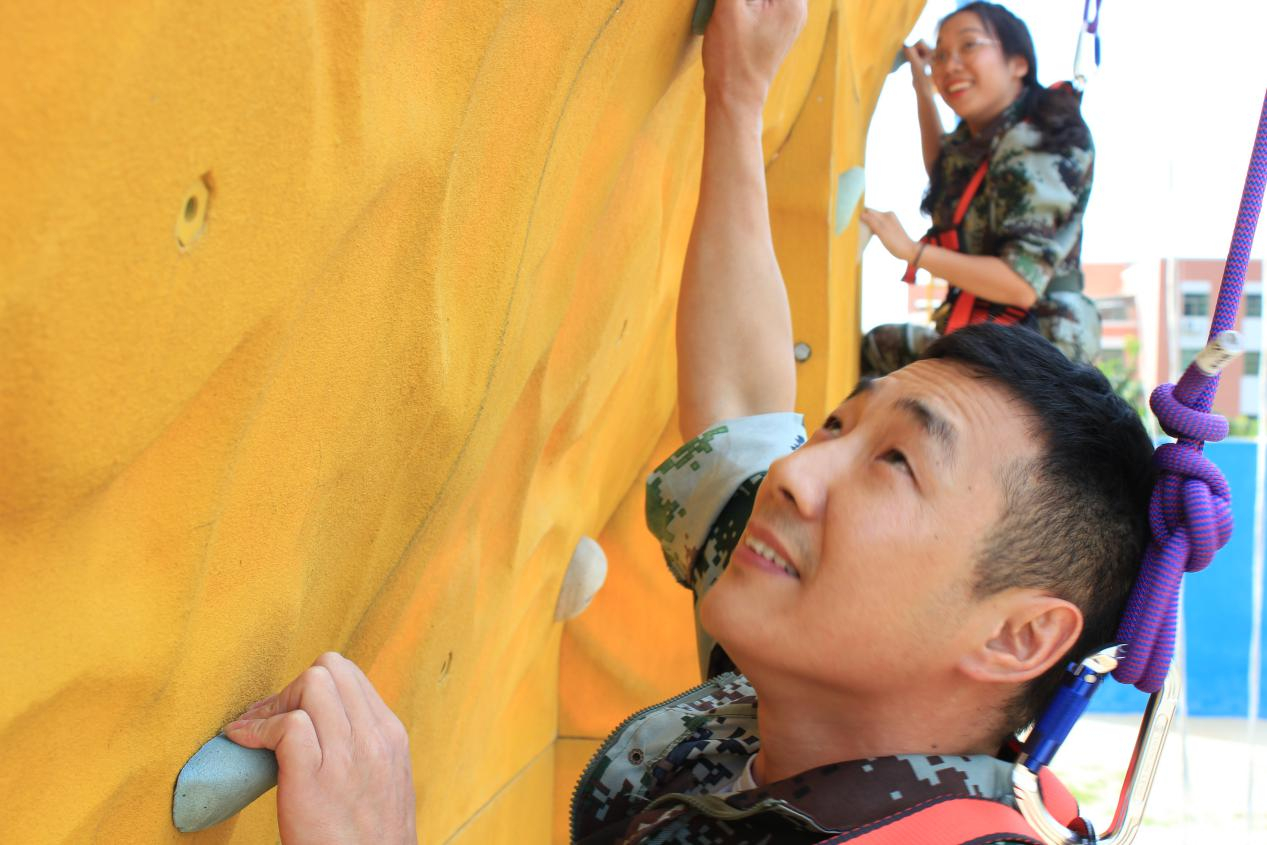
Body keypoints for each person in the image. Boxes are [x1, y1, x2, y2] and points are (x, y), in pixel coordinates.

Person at [224, 2, 1154, 842]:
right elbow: (743, 421)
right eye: (837, 425)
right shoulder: (792, 692)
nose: (797, 473)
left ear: (1017, 637)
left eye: (897, 463)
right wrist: (737, 98)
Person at [859, 2, 1101, 376]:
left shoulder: (1038, 138)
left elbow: (1020, 284)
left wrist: (913, 251)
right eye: (940, 55)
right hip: (985, 329)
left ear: (1018, 63)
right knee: (879, 348)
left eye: (969, 46)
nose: (949, 64)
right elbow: (947, 172)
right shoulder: (988, 135)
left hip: (1040, 348)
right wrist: (922, 87)